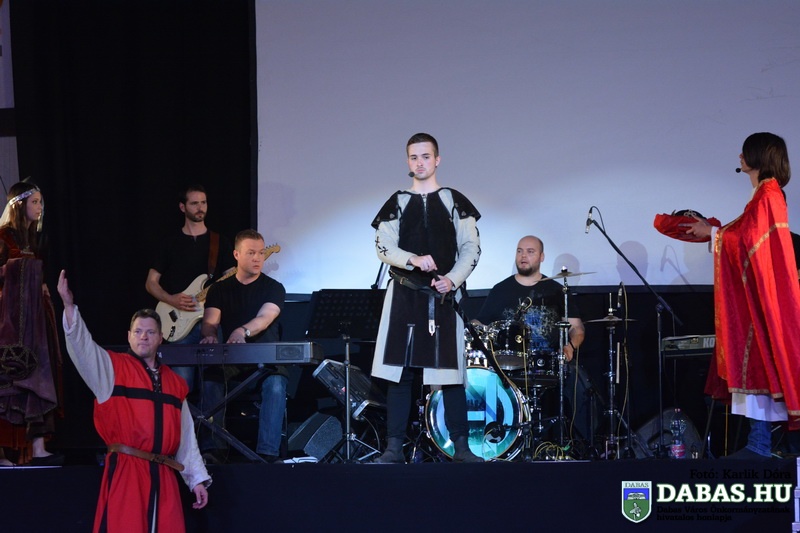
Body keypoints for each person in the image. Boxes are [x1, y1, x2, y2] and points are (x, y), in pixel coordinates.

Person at [57, 270, 210, 533]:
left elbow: (186, 437)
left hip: (164, 475)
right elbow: (83, 349)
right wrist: (69, 307)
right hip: (127, 471)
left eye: (150, 332)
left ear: (160, 338)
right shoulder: (111, 370)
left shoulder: (175, 383)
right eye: (138, 331)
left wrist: (196, 479)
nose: (143, 336)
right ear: (129, 336)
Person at [685, 132, 800, 459]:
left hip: (763, 298)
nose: (740, 156)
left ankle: (762, 446)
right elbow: (746, 234)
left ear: (757, 156)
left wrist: (713, 232)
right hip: (757, 296)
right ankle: (759, 443)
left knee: (760, 363)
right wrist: (714, 232)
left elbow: (750, 238)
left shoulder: (768, 194)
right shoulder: (763, 194)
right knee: (757, 364)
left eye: (744, 151)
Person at [371, 132, 483, 463]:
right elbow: (383, 246)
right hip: (404, 294)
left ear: (437, 159)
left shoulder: (454, 200)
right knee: (399, 373)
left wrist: (453, 279)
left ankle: (461, 448)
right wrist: (413, 259)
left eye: (425, 156)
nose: (419, 163)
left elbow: (471, 247)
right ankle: (393, 448)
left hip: (443, 298)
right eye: (413, 157)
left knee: (450, 374)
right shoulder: (397, 201)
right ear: (408, 161)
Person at [145, 184, 235, 460]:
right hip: (177, 324)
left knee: (213, 383)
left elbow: (231, 279)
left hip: (210, 321)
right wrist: (171, 300)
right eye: (194, 203)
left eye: (204, 202)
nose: (200, 208)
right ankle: (179, 445)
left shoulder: (219, 242)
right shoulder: (169, 243)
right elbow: (151, 283)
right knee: (180, 384)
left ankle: (212, 447)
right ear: (183, 207)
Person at [472, 235, 589, 443]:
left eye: (530, 251)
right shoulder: (501, 290)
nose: (523, 256)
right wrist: (467, 326)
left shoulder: (556, 290)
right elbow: (481, 323)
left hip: (549, 364)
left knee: (582, 385)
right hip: (510, 366)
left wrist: (570, 346)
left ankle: (576, 444)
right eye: (519, 251)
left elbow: (577, 328)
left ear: (542, 257)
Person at [200, 229, 287, 463]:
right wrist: (210, 335)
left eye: (261, 253)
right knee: (211, 377)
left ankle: (268, 454)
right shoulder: (219, 289)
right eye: (251, 253)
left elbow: (265, 318)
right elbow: (210, 322)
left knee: (276, 384)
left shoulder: (274, 288)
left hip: (265, 361)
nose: (258, 258)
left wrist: (242, 331)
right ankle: (213, 450)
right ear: (236, 255)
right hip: (232, 359)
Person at [0, 181, 63, 466]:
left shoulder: (34, 241)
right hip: (8, 324)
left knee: (38, 377)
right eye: (35, 201)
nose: (40, 207)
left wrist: (42, 285)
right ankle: (2, 452)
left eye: (41, 202)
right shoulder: (3, 237)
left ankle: (37, 447)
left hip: (33, 324)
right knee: (9, 380)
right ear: (19, 205)